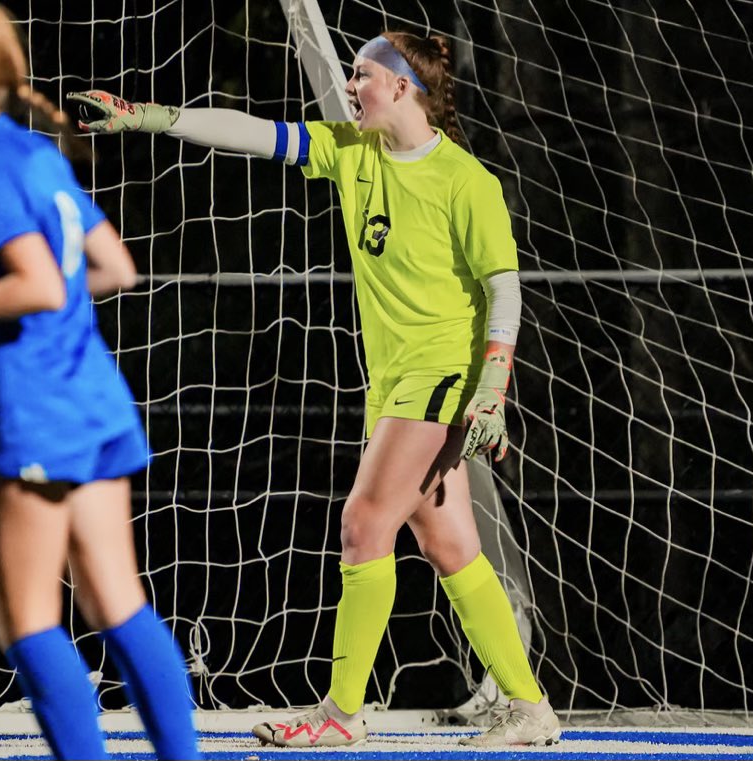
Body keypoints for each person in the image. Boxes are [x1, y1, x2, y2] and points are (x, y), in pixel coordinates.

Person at [70, 30, 560, 748]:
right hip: (395, 381)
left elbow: (504, 289)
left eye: (361, 75)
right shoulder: (351, 150)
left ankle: (338, 713)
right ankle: (529, 706)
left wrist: (491, 385)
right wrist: (150, 115)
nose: (350, 85)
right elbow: (255, 134)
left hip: (441, 377)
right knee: (447, 543)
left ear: (401, 88)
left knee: (364, 523)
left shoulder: (465, 181)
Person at [0, 3, 200, 759]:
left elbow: (38, 284)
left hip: (36, 407)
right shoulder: (35, 153)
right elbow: (115, 267)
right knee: (117, 601)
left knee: (26, 620)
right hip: (95, 398)